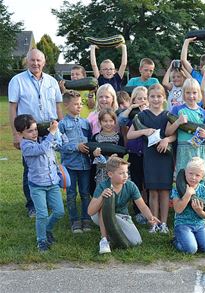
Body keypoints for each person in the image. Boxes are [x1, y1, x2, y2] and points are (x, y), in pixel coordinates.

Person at [9, 49, 64, 217]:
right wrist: (16, 134)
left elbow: (57, 106)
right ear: (27, 61)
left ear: (44, 62)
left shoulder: (52, 81)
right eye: (32, 60)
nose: (35, 63)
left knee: (50, 164)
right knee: (31, 168)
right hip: (28, 130)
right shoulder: (17, 81)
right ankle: (32, 205)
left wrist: (60, 129)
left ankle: (48, 200)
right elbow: (12, 108)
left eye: (39, 60)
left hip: (49, 129)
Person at [127, 84, 176, 234]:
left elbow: (175, 135)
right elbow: (129, 135)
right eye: (152, 96)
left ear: (164, 98)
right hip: (150, 157)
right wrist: (144, 131)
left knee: (165, 191)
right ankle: (154, 223)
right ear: (148, 99)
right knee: (153, 191)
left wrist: (167, 140)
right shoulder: (142, 116)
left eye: (159, 96)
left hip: (165, 157)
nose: (156, 99)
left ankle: (164, 223)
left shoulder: (168, 115)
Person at [87, 157, 159, 254]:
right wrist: (101, 197)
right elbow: (90, 211)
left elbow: (142, 206)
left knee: (136, 241)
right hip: (100, 215)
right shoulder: (103, 186)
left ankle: (112, 236)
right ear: (110, 174)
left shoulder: (131, 186)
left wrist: (150, 217)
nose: (125, 175)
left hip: (121, 217)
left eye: (126, 172)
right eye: (121, 173)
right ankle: (104, 240)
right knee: (104, 205)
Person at [15, 114, 65, 252]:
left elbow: (58, 145)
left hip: (53, 183)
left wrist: (56, 133)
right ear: (21, 134)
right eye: (30, 131)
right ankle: (41, 240)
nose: (34, 133)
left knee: (59, 211)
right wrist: (52, 133)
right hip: (37, 186)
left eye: (35, 129)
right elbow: (42, 149)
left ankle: (46, 229)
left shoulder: (43, 139)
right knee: (42, 214)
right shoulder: (25, 146)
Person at [58, 90, 93, 233]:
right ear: (66, 105)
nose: (79, 107)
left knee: (85, 193)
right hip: (70, 166)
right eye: (75, 104)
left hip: (85, 166)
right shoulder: (62, 124)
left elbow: (90, 141)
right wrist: (76, 147)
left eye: (80, 104)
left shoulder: (86, 122)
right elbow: (59, 145)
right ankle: (74, 221)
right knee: (71, 194)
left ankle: (86, 219)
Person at [165, 79, 205, 180]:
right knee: (182, 179)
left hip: (199, 149)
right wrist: (178, 122)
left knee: (198, 180)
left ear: (199, 93)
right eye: (188, 93)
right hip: (183, 150)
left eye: (194, 93)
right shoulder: (177, 110)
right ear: (183, 93)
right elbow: (168, 132)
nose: (191, 96)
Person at [171, 157, 205, 254]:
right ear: (185, 172)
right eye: (190, 173)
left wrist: (199, 211)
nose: (193, 177)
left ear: (202, 176)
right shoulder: (177, 188)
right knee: (191, 249)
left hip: (200, 226)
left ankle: (191, 239)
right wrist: (187, 194)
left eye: (197, 175)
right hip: (183, 225)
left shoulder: (204, 190)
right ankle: (175, 240)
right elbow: (178, 210)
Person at [118, 86, 149, 224]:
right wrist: (131, 108)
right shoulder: (132, 113)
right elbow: (121, 121)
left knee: (147, 183)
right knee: (136, 181)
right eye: (139, 98)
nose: (142, 101)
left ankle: (147, 208)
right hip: (135, 153)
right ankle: (137, 211)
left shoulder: (149, 112)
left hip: (148, 154)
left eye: (144, 98)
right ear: (134, 100)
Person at [91, 108, 124, 186]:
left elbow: (122, 153)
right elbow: (91, 155)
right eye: (105, 121)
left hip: (115, 170)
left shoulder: (118, 137)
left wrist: (116, 157)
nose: (108, 124)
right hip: (100, 171)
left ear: (115, 122)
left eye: (111, 121)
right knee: (102, 190)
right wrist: (95, 154)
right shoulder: (96, 137)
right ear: (100, 122)